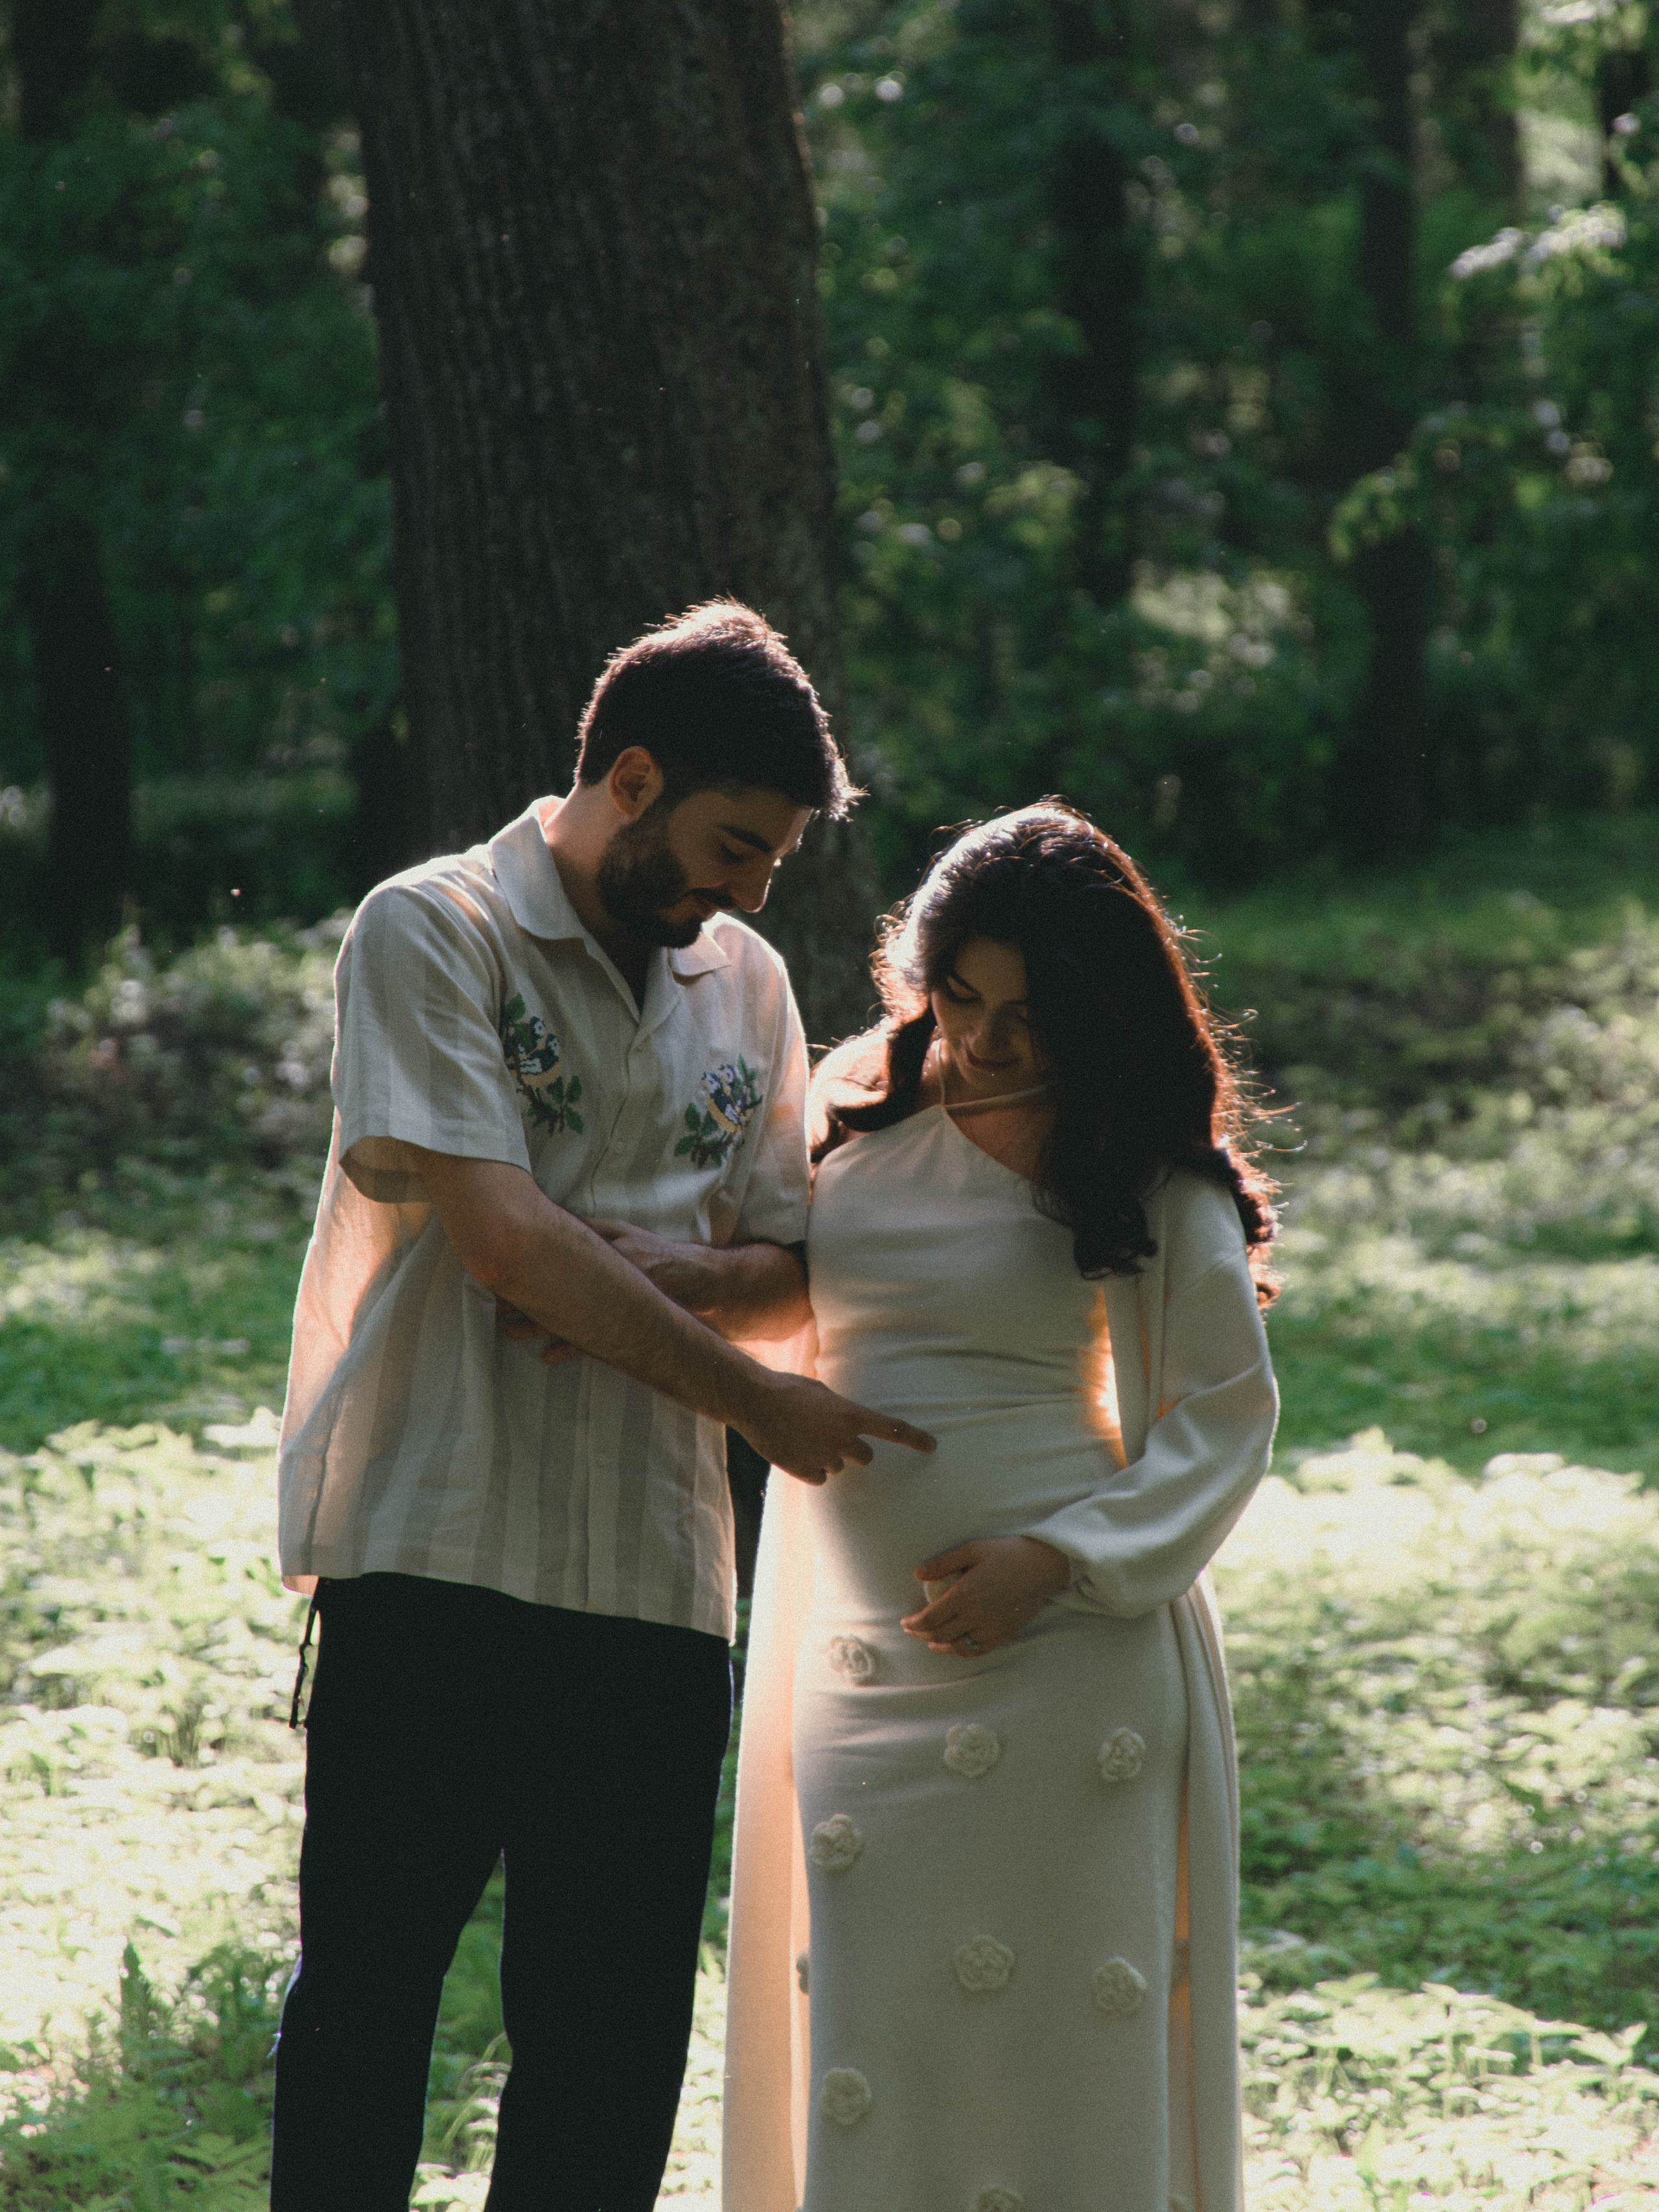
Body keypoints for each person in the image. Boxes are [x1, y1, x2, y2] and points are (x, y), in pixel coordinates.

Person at [268, 600, 934, 2212]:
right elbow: (501, 1242)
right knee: (367, 2005)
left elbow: (790, 1265)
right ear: (628, 778)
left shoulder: (748, 981)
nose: (747, 891)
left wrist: (664, 1289)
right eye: (730, 846)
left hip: (653, 1580)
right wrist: (756, 1410)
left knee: (609, 2043)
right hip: (431, 1546)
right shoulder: (429, 930)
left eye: (771, 860)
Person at [723, 802, 1280, 2212]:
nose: (985, 1041)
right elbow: (773, 1278)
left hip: (1070, 1663)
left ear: (1095, 1008)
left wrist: (1058, 1560)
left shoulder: (1135, 1148)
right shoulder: (861, 1095)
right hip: (861, 1655)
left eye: (1027, 1015)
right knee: (877, 2038)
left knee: (1060, 2059)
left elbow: (1222, 1412)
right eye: (960, 997)